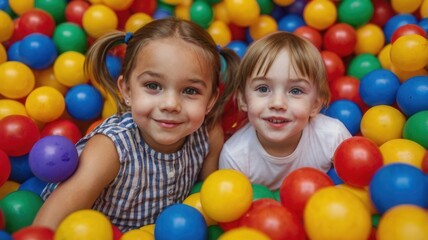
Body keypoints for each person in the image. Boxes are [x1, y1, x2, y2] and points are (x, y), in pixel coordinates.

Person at [32, 18, 240, 232]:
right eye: (153, 85)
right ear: (127, 90)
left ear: (211, 100)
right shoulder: (110, 149)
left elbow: (212, 200)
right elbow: (46, 227)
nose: (171, 105)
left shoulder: (207, 134)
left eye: (190, 91)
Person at [218, 31, 352, 191]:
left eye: (295, 91)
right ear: (243, 100)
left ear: (316, 104)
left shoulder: (332, 137)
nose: (277, 103)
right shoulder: (235, 157)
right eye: (263, 88)